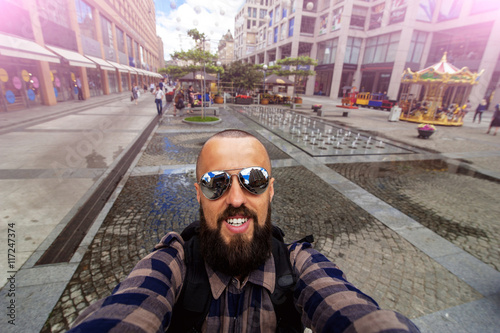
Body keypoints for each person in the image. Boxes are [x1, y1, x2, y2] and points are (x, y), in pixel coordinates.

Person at [68, 129, 420, 333]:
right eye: (215, 183)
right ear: (198, 194)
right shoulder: (172, 263)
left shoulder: (299, 264)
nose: (236, 198)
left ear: (270, 189)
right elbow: (128, 309)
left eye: (253, 180)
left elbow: (352, 311)